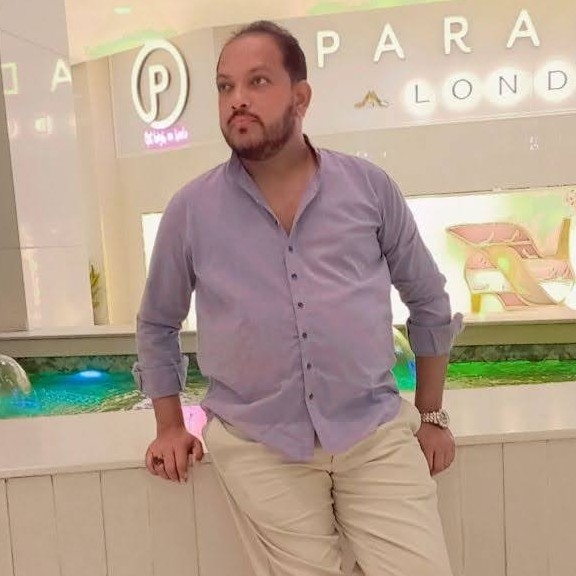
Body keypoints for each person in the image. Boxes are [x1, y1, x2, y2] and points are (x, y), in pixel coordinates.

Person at [134, 19, 463, 576]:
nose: (237, 100)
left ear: (301, 97)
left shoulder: (368, 188)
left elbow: (429, 299)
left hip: (373, 433)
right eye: (225, 86)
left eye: (258, 81)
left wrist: (431, 414)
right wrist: (169, 426)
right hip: (259, 445)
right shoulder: (191, 210)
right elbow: (157, 323)